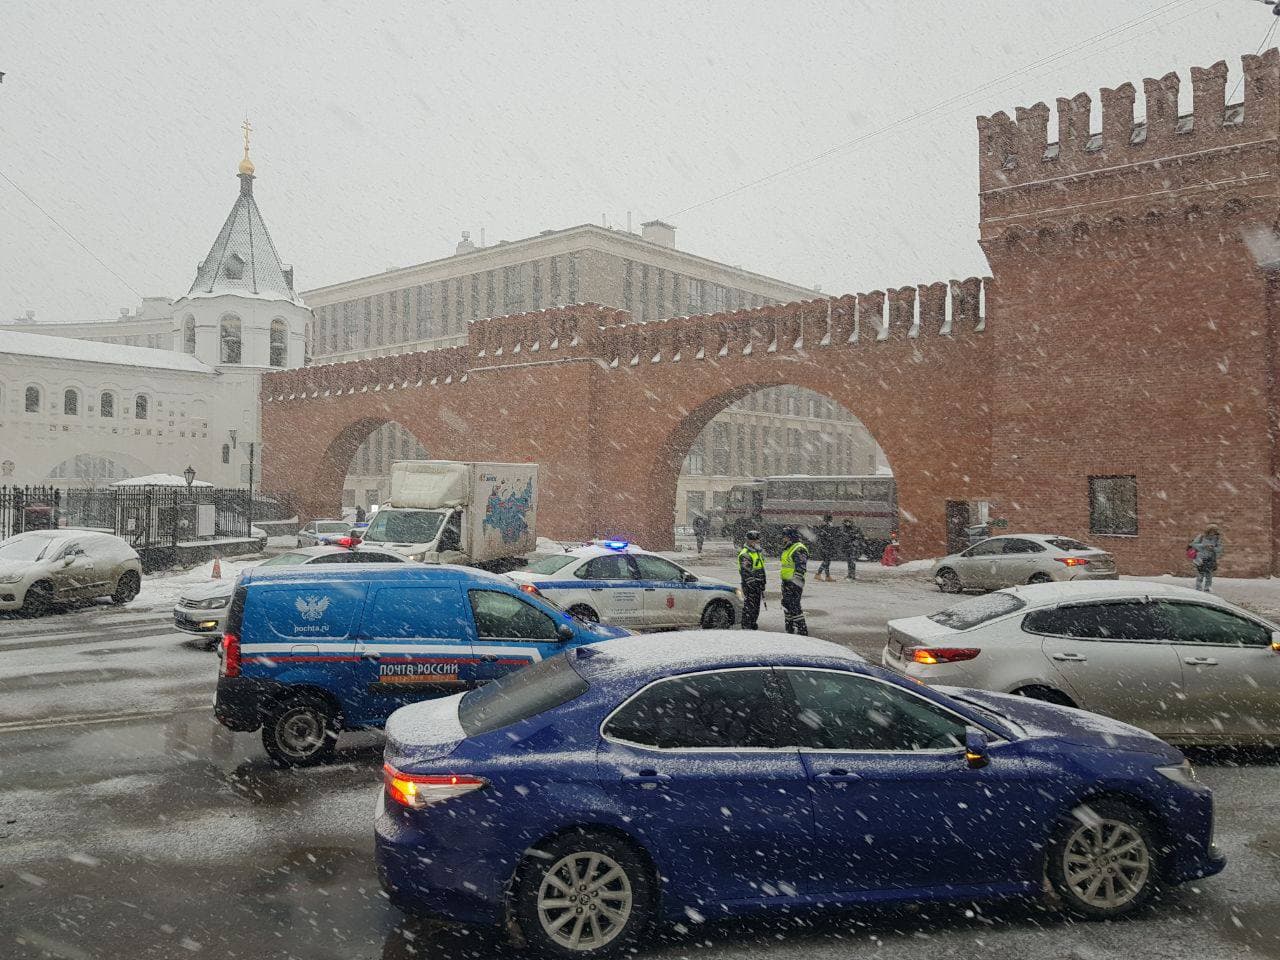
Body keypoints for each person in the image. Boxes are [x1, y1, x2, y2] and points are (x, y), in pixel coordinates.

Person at [779, 526, 809, 635]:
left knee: (794, 606)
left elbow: (801, 567)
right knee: (787, 605)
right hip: (787, 582)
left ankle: (802, 629)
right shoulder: (788, 547)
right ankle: (789, 627)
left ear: (790, 537)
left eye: (785, 537)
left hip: (794, 583)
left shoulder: (798, 548)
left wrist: (795, 583)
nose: (783, 539)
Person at [737, 529, 767, 630]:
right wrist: (753, 585)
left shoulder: (757, 552)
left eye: (758, 541)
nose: (758, 543)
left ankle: (752, 624)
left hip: (757, 585)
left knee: (755, 608)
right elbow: (746, 573)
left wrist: (762, 582)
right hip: (750, 586)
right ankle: (747, 626)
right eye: (755, 541)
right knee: (750, 608)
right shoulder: (745, 554)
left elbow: (760, 569)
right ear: (750, 541)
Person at [1188, 524, 1225, 593]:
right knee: (1200, 574)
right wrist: (1204, 546)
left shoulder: (1217, 539)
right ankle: (1198, 589)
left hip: (1211, 559)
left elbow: (1220, 549)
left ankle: (1207, 589)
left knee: (1209, 575)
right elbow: (1194, 544)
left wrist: (1213, 548)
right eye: (1211, 531)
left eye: (1214, 531)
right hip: (1200, 558)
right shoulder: (1201, 537)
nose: (1212, 533)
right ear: (1208, 531)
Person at [814, 514, 836, 582]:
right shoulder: (825, 527)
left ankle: (827, 576)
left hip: (825, 546)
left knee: (827, 561)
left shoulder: (824, 527)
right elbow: (825, 538)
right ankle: (818, 574)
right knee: (826, 561)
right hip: (826, 547)